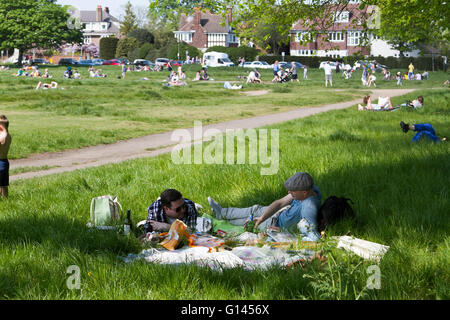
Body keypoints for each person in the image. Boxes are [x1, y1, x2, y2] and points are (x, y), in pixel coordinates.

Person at [208, 172, 322, 240]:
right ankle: (222, 212)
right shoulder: (309, 190)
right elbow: (280, 203)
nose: (289, 193)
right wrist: (262, 217)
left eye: (292, 191)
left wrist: (282, 232)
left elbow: (310, 235)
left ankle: (219, 221)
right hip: (280, 213)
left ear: (304, 192)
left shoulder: (309, 208)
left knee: (247, 223)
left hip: (275, 224)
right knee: (255, 209)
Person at [0, 115, 12, 198]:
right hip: (5, 162)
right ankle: (6, 200)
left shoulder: (1, 137)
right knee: (4, 185)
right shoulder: (8, 136)